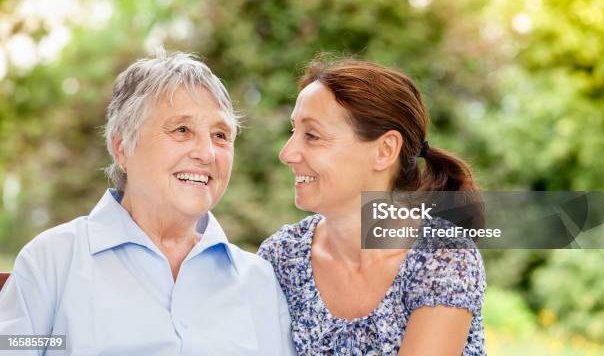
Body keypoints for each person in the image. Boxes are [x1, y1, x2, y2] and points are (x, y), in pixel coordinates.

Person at [0, 51, 295, 355]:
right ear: (122, 147)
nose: (207, 153)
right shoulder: (52, 262)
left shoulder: (258, 282)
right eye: (182, 130)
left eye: (220, 135)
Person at [258, 58, 486, 355]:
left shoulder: (443, 256)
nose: (286, 153)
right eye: (293, 132)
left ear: (385, 150)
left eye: (312, 135)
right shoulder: (280, 257)